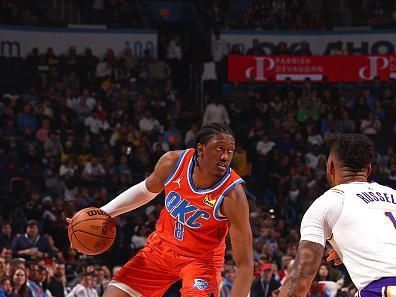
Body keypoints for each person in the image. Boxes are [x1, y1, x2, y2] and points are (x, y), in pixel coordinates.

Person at [68, 123, 253, 297]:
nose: (225, 157)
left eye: (230, 150)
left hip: (201, 262)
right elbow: (145, 191)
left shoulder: (233, 195)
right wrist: (103, 212)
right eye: (219, 148)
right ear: (201, 148)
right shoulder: (173, 162)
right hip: (160, 250)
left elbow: (245, 264)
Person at [278, 134, 396, 297]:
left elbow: (299, 282)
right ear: (368, 170)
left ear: (331, 167)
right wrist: (348, 245)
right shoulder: (393, 194)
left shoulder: (328, 202)